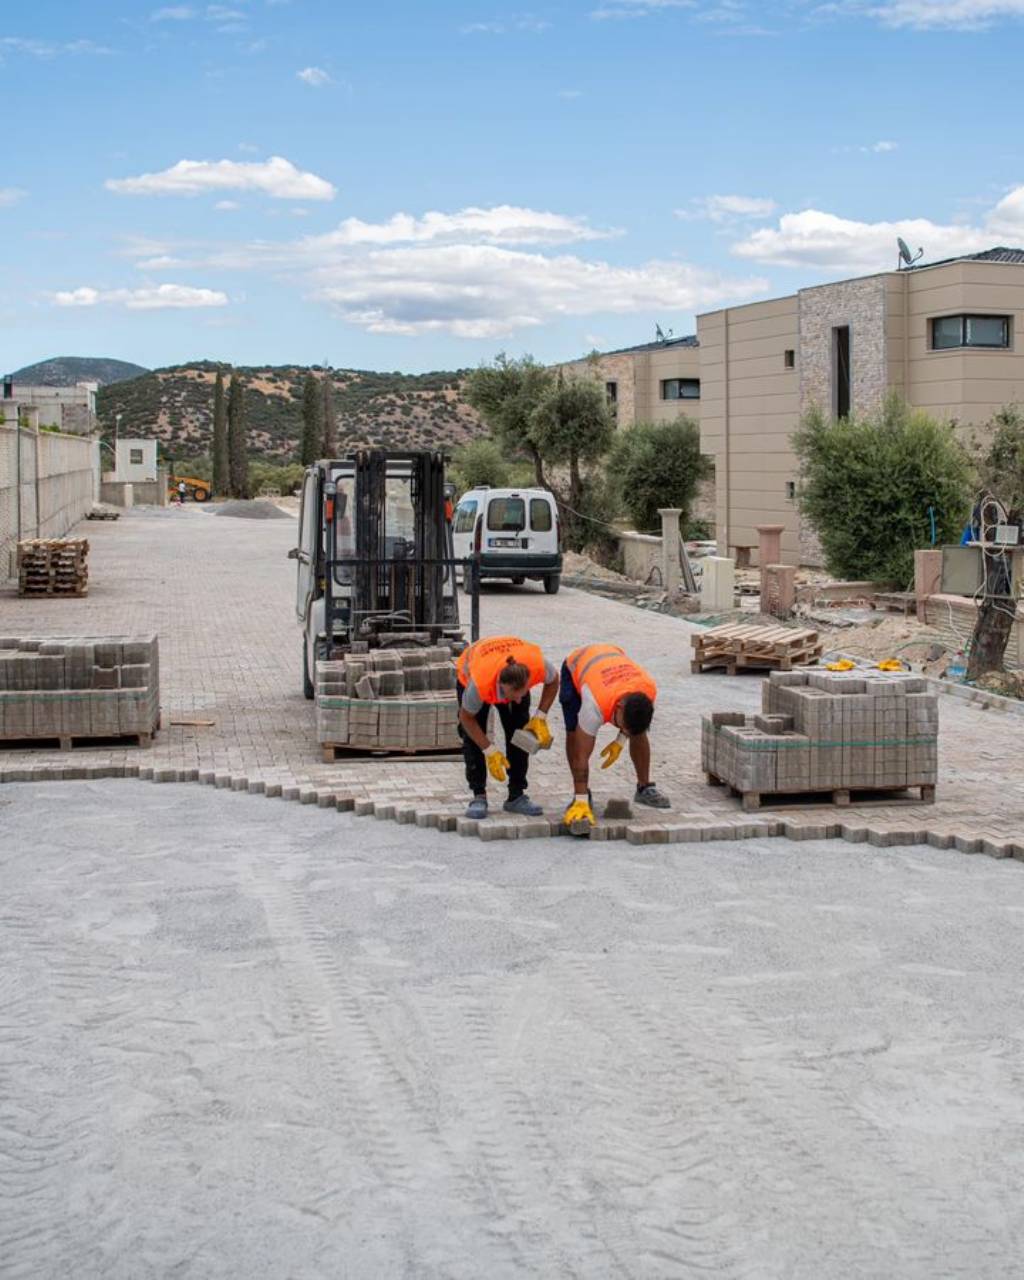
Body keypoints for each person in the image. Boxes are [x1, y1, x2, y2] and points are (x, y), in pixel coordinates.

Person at [559, 643, 670, 829]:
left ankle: (645, 787)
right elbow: (581, 754)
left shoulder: (647, 689)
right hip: (576, 667)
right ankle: (582, 795)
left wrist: (621, 739)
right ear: (618, 709)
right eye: (623, 727)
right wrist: (581, 799)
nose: (624, 731)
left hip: (612, 659)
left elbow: (633, 726)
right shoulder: (593, 704)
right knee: (574, 734)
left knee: (639, 731)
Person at [456, 634, 559, 820]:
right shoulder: (479, 685)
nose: (520, 699)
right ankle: (479, 795)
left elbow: (554, 681)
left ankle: (516, 795)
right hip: (474, 671)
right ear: (502, 688)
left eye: (524, 693)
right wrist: (489, 750)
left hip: (508, 665)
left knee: (521, 733)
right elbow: (466, 718)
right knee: (473, 739)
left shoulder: (536, 665)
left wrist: (540, 717)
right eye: (516, 695)